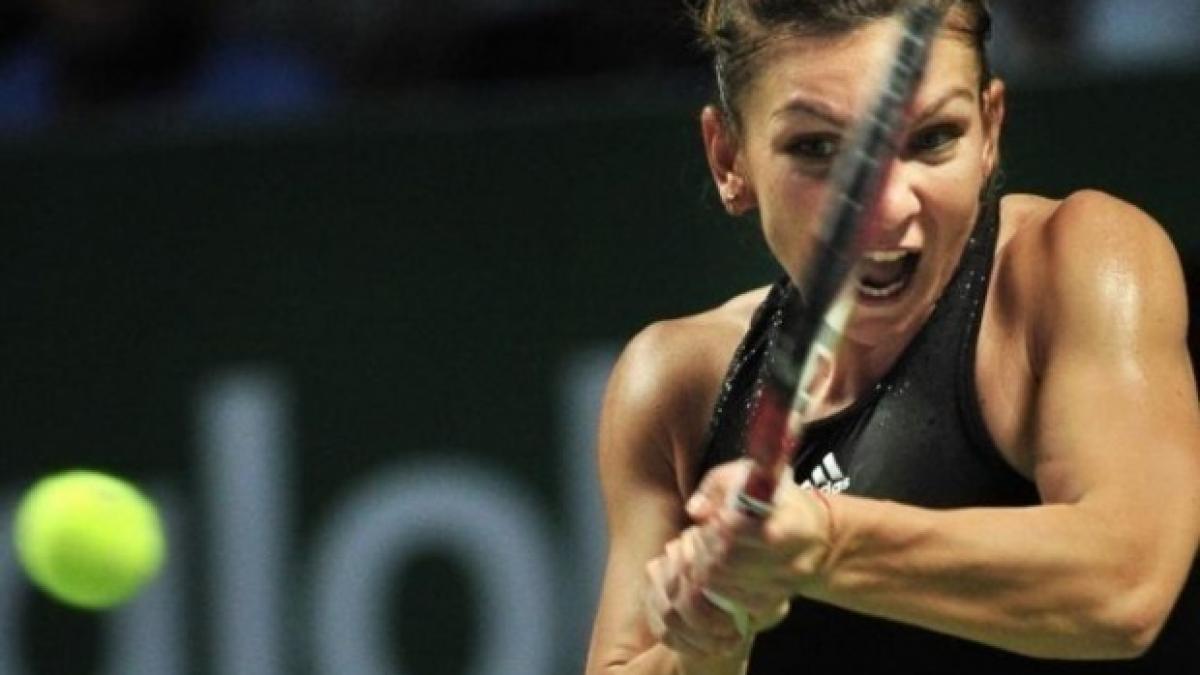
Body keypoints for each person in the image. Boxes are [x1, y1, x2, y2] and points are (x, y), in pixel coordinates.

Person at [584, 1, 1200, 673]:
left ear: (989, 131)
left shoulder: (1079, 264)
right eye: (818, 148)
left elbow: (1127, 585)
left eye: (932, 138)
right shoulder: (675, 383)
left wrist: (824, 539)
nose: (883, 206)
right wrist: (705, 644)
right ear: (729, 158)